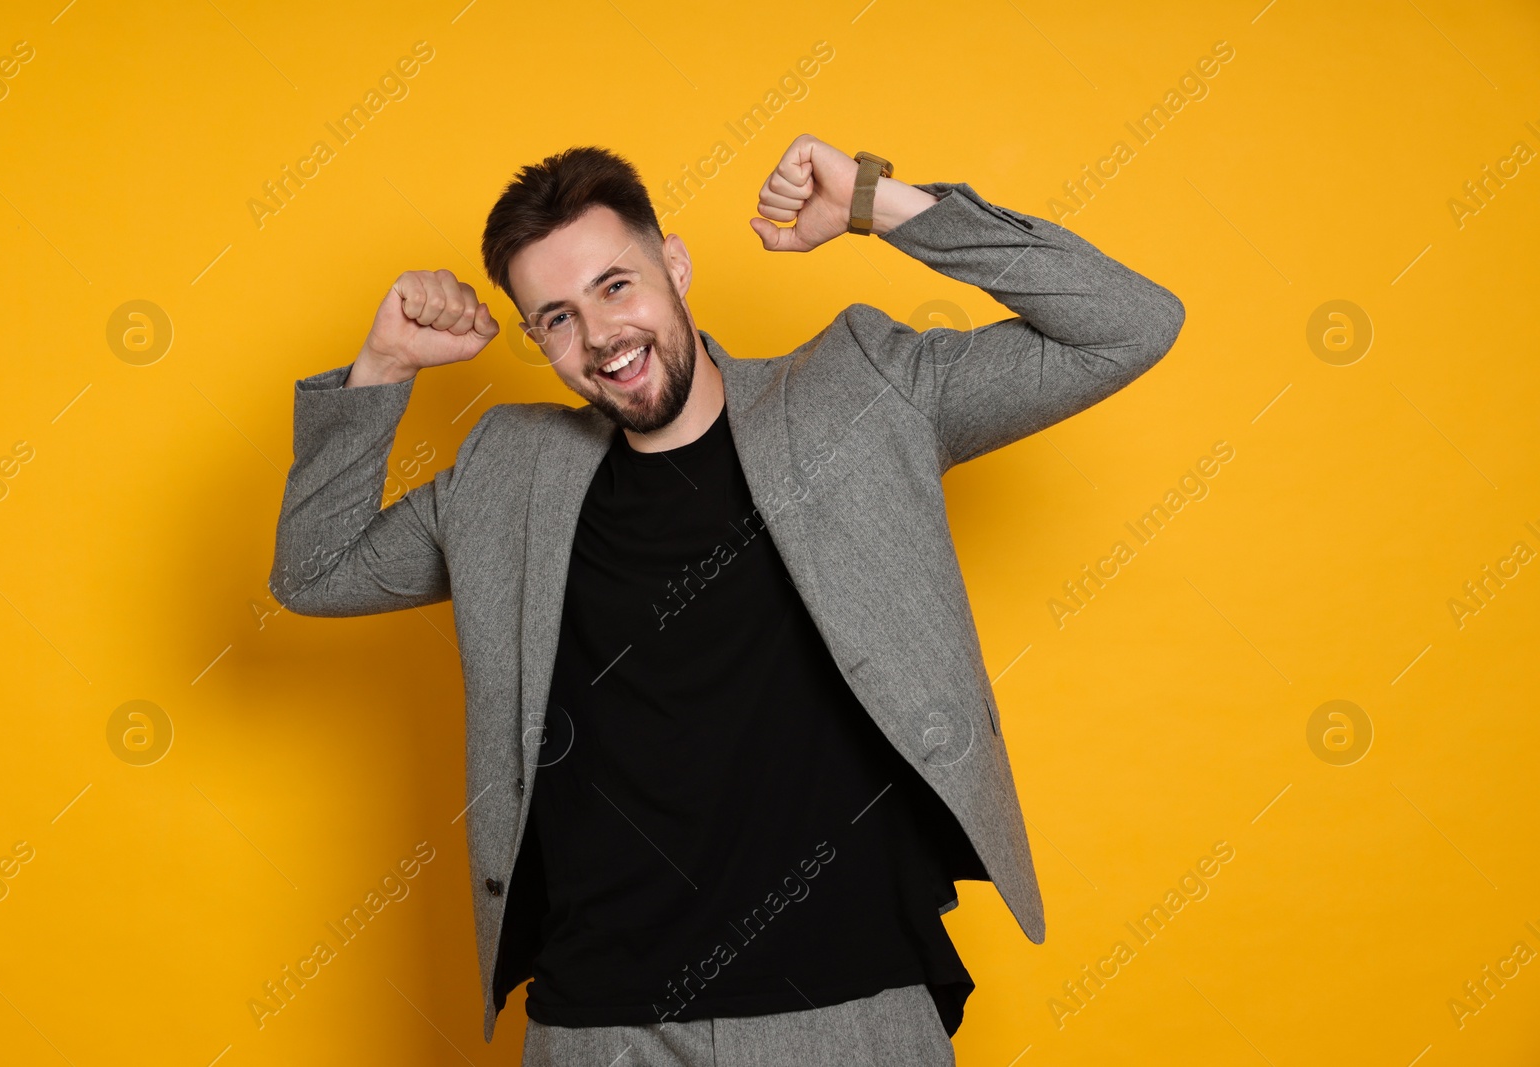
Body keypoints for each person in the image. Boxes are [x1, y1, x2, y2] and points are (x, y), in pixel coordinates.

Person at [268, 133, 1185, 1066]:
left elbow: (1128, 322)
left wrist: (878, 202)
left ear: (674, 263)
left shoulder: (857, 392)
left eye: (615, 285)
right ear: (537, 339)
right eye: (556, 317)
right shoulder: (511, 473)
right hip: (596, 1028)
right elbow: (314, 571)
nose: (600, 338)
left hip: (845, 1010)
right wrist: (381, 367)